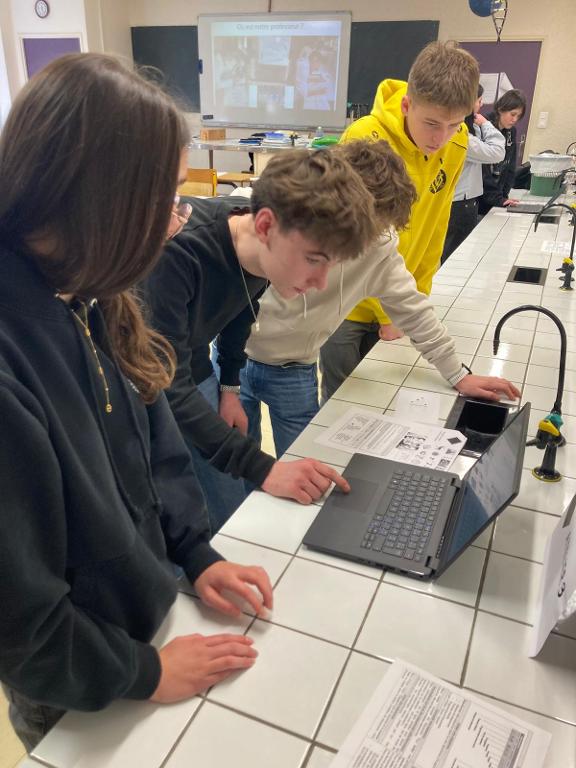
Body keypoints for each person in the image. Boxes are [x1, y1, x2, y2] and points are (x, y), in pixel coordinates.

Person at [0, 53, 273, 752]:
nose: (176, 222)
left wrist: (196, 554)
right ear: (99, 199)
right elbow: (19, 623)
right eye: (165, 199)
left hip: (140, 630)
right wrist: (143, 672)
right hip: (79, 681)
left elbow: (153, 454)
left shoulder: (88, 293)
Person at [143, 149, 379, 532]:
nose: (320, 283)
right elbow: (168, 384)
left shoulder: (256, 244)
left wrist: (230, 387)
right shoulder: (177, 253)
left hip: (189, 362)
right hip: (142, 383)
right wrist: (265, 469)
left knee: (230, 492)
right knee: (196, 499)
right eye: (314, 259)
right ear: (266, 226)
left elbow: (242, 309)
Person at [238, 141, 520, 457]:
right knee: (233, 463)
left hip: (293, 367)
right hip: (232, 358)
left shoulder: (378, 248)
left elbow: (414, 311)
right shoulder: (282, 227)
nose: (360, 242)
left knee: (298, 461)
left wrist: (458, 374)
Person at [319, 41, 480, 399]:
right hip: (347, 304)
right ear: (407, 105)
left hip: (400, 302)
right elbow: (353, 239)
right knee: (337, 405)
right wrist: (390, 312)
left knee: (384, 404)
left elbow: (437, 225)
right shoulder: (364, 138)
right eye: (431, 123)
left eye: (454, 124)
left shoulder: (456, 143)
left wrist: (417, 297)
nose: (440, 138)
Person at [441, 84, 506, 262]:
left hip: (463, 202)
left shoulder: (466, 130)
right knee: (453, 258)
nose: (481, 104)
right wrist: (486, 124)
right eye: (479, 100)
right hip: (460, 204)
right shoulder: (460, 135)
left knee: (455, 255)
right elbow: (497, 152)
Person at [479, 88, 527, 214]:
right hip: (480, 197)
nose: (515, 120)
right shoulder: (483, 125)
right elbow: (482, 171)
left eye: (518, 116)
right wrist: (498, 199)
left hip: (497, 195)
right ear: (501, 109)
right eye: (512, 114)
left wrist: (504, 197)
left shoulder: (511, 131)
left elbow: (510, 167)